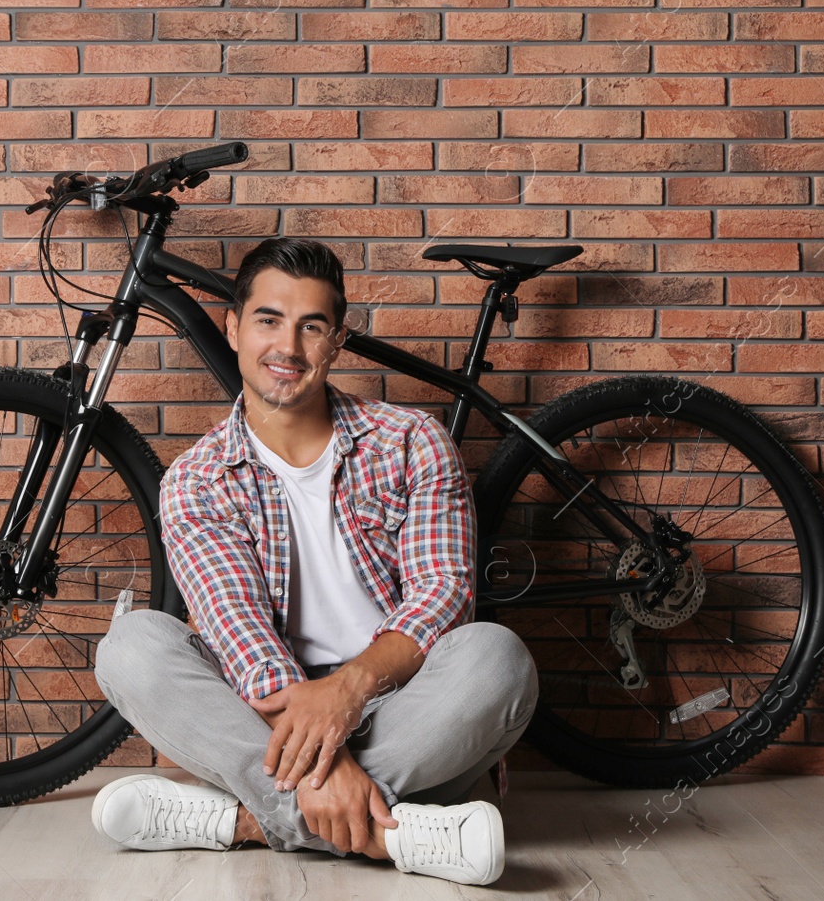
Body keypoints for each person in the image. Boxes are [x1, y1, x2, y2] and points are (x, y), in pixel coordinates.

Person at [90, 237, 538, 886]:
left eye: (312, 326)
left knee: (498, 658)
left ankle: (242, 820)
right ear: (234, 327)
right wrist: (324, 742)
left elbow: (443, 596)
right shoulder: (195, 479)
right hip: (265, 713)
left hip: (400, 704)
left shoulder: (413, 442)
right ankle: (398, 833)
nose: (289, 348)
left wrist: (348, 691)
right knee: (130, 646)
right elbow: (239, 633)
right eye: (269, 320)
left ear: (338, 341)